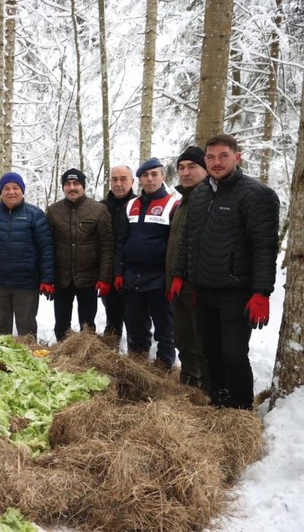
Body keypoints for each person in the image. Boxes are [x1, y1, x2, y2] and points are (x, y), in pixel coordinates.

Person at [170, 134, 280, 409]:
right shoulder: (200, 194)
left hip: (236, 291)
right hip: (204, 289)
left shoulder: (257, 195)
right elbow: (189, 240)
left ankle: (241, 407)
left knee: (233, 354)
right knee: (211, 351)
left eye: (223, 156)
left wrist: (262, 293)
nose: (216, 162)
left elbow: (264, 247)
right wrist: (181, 275)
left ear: (237, 157)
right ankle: (218, 399)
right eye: (211, 157)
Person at [113, 157, 179, 371]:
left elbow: (176, 246)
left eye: (154, 174)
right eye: (145, 175)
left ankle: (163, 370)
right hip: (133, 278)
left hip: (160, 279)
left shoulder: (172, 204)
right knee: (135, 327)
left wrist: (174, 278)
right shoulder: (131, 205)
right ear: (139, 179)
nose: (149, 179)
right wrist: (119, 272)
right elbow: (121, 241)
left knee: (164, 330)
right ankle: (137, 369)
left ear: (163, 177)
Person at [0, 172, 55, 336]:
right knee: (1, 329)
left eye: (15, 188)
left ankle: (30, 357)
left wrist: (47, 279)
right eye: (6, 188)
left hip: (26, 283)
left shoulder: (35, 214)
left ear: (22, 190)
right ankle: (1, 360)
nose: (11, 192)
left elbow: (46, 248)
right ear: (1, 192)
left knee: (26, 330)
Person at [46, 168, 114, 342]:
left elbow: (107, 246)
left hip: (89, 278)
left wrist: (105, 278)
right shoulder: (53, 211)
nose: (72, 187)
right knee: (61, 324)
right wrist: (47, 278)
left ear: (83, 186)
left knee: (87, 324)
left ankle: (87, 358)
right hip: (62, 279)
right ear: (63, 187)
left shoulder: (99, 210)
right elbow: (48, 246)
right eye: (67, 184)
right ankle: (62, 358)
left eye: (76, 183)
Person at [166, 146, 209, 388]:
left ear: (204, 169)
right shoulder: (183, 203)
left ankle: (205, 386)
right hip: (177, 285)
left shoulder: (209, 200)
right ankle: (189, 381)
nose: (185, 172)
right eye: (182, 168)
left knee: (200, 338)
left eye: (192, 167)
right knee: (183, 337)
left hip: (198, 286)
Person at [100, 165, 136, 343]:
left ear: (132, 182)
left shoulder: (139, 205)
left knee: (135, 322)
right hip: (108, 274)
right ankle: (110, 360)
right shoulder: (100, 208)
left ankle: (137, 359)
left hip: (134, 275)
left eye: (123, 179)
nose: (118, 184)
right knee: (112, 321)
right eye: (114, 179)